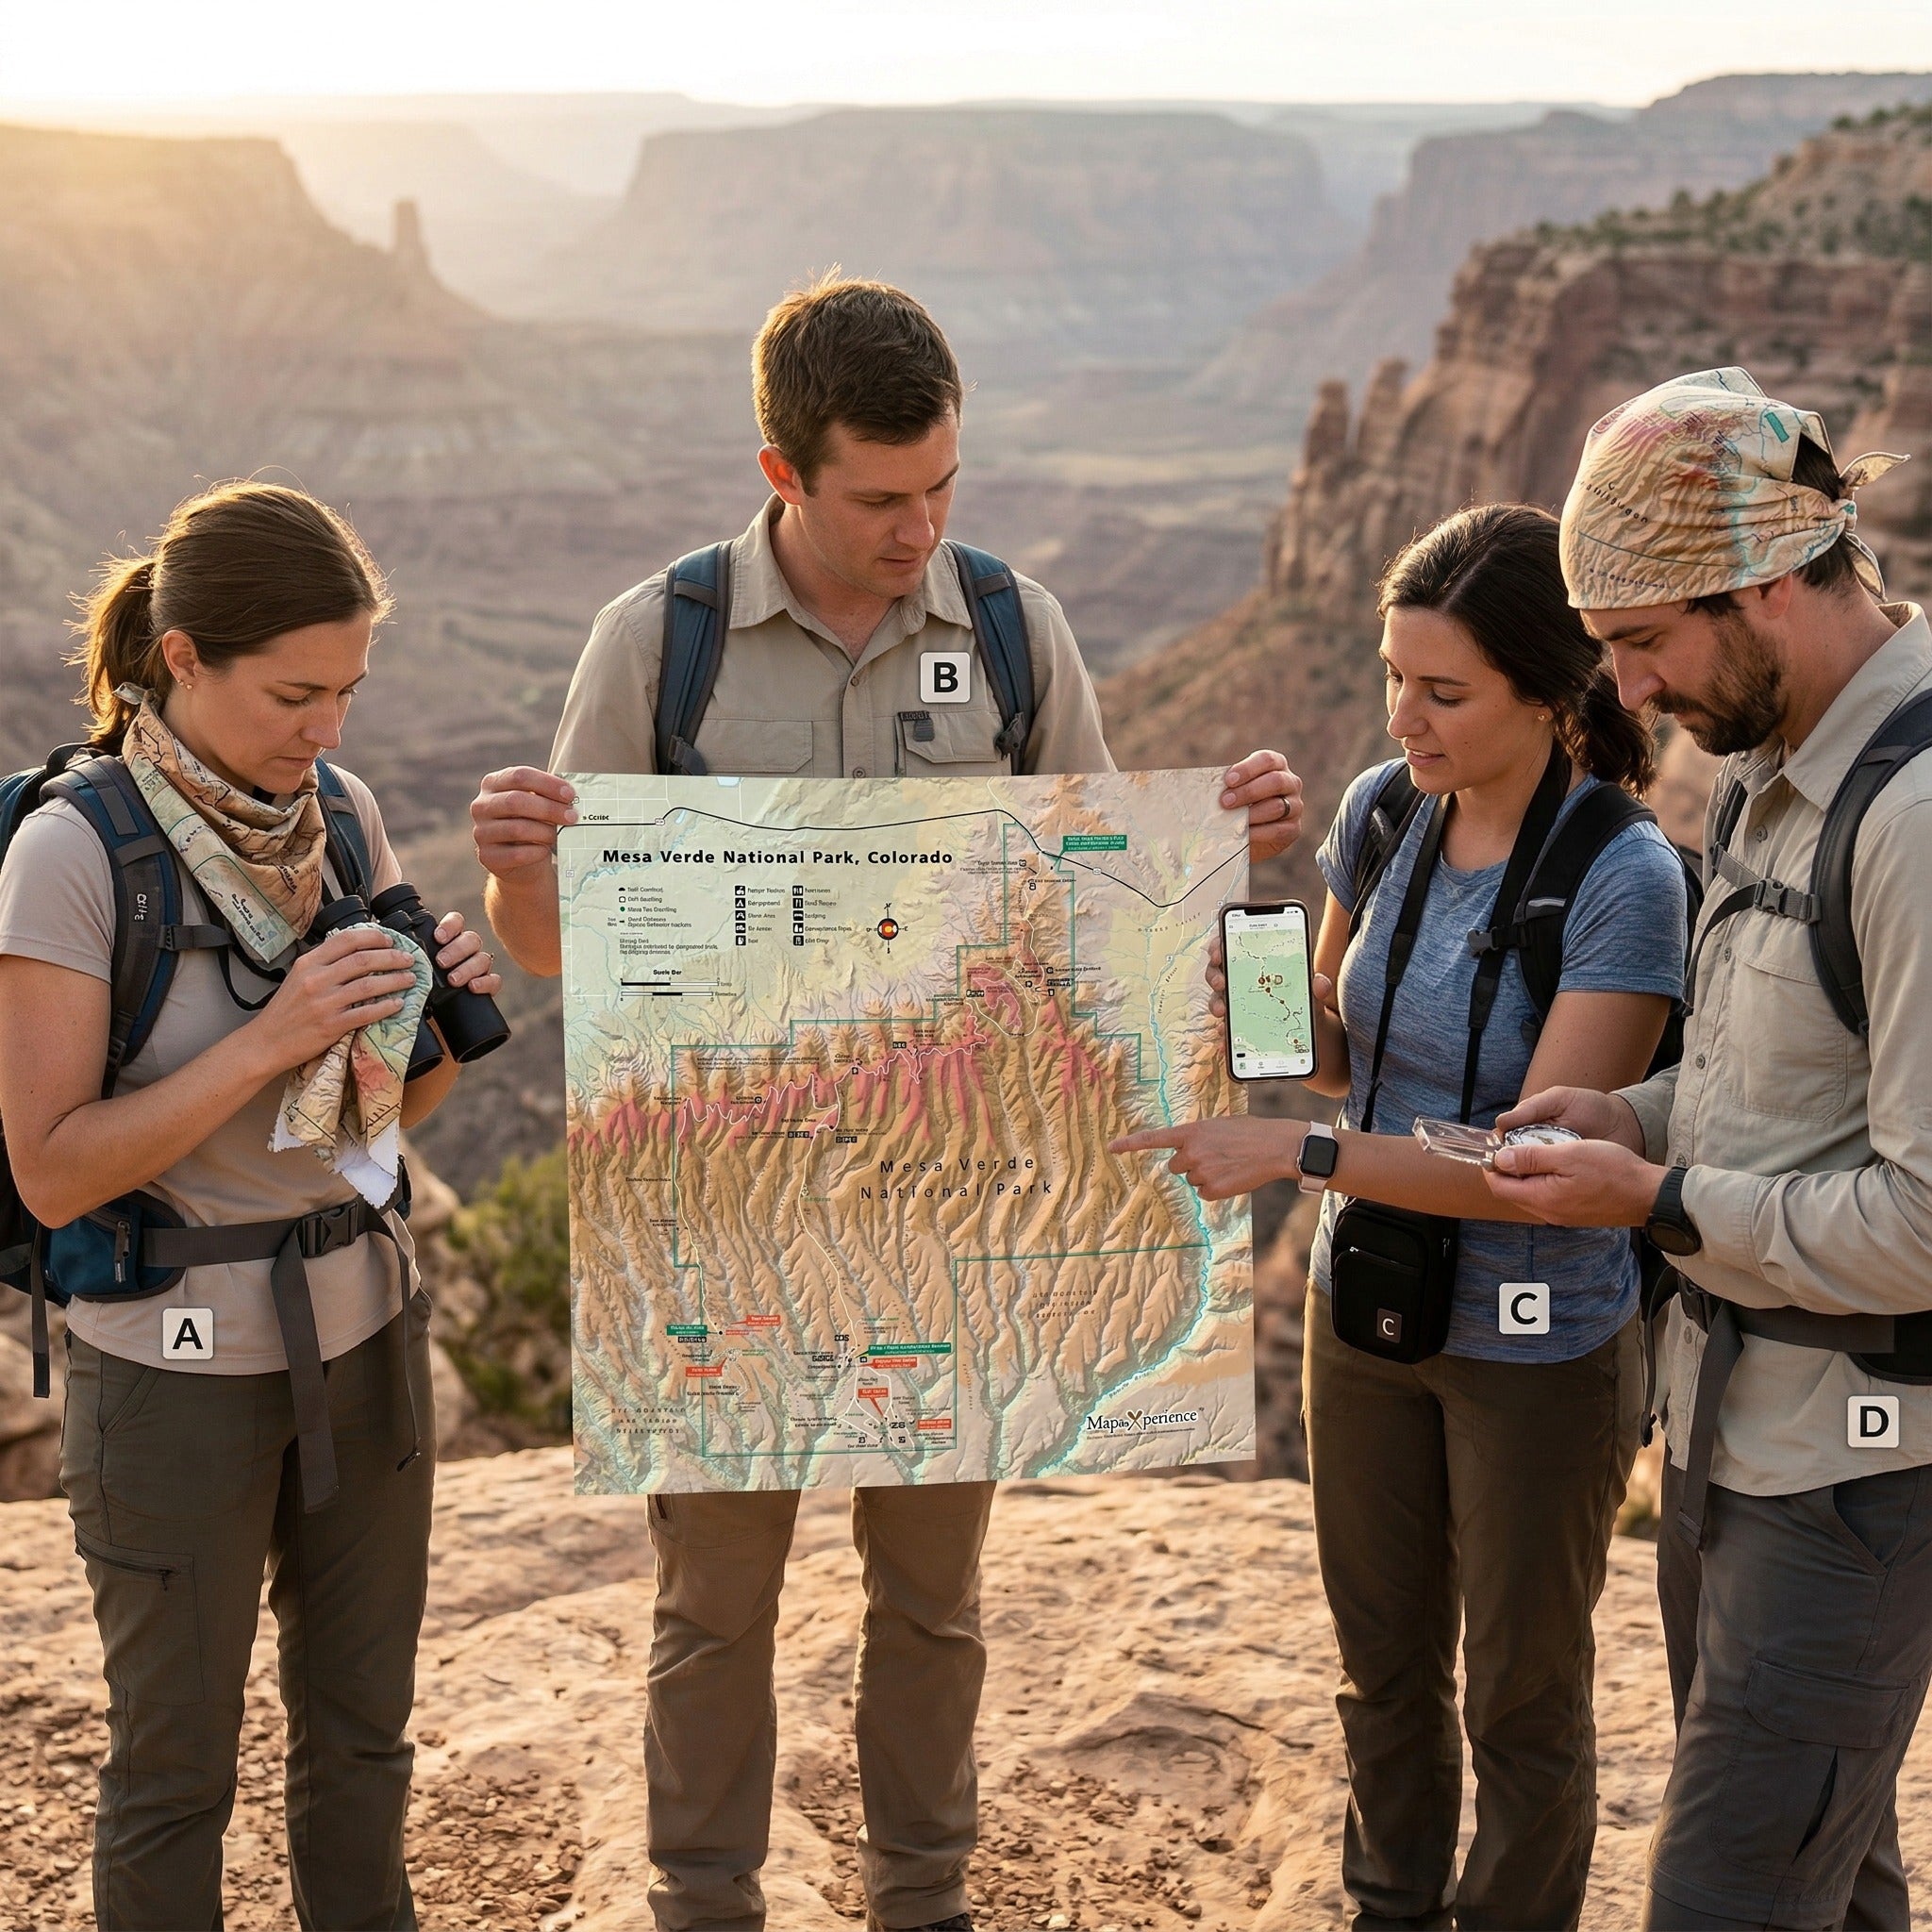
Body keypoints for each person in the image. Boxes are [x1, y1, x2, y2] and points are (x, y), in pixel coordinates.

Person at [471, 274, 1303, 1932]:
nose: (920, 529)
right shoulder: (659, 643)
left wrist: (1227, 847)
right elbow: (558, 949)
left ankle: (924, 1898)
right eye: (878, 500)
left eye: (942, 488)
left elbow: (1099, 898)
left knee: (932, 1600)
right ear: (782, 473)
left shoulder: (1012, 629)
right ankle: (706, 1901)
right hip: (727, 1216)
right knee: (716, 1605)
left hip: (951, 1204)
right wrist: (517, 875)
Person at [1114, 502, 1690, 1931]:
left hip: (1536, 1340)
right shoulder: (1383, 813)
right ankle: (1390, 1908)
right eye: (1392, 679)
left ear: (1548, 694)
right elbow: (1332, 1051)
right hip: (1364, 1300)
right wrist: (1236, 974)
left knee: (1522, 1700)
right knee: (1380, 1669)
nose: (1402, 718)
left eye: (1443, 692)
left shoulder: (1622, 877)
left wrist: (1297, 1158)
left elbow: (1536, 1168)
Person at [0, 482, 502, 1930]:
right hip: (169, 1370)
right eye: (294, 694)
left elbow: (381, 1134)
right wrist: (275, 1037)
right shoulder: (72, 855)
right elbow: (51, 1167)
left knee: (365, 1744)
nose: (326, 730)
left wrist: (427, 1022)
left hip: (365, 1334)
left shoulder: (337, 817)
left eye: (347, 692)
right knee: (175, 1772)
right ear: (182, 656)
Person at [1486, 367, 1932, 1932]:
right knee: (1831, 1879)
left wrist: (1656, 1196)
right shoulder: (1762, 768)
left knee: (1728, 1898)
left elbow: (1928, 1219)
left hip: (1854, 1472)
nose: (1625, 689)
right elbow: (1770, 1080)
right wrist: (1630, 1117)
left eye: (1641, 640)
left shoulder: (1913, 818)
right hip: (1730, 1433)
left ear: (1765, 582)